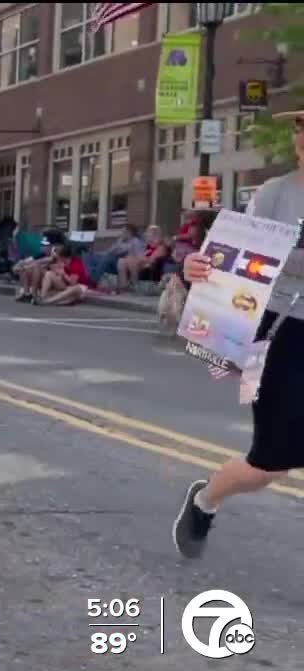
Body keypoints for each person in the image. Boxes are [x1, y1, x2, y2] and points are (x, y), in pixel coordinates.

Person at [173, 108, 304, 559]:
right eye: (302, 127)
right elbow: (235, 261)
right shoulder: (276, 194)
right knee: (269, 462)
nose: (303, 136)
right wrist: (198, 269)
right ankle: (205, 500)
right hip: (278, 329)